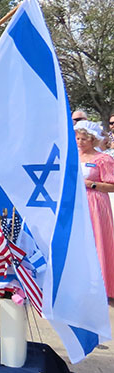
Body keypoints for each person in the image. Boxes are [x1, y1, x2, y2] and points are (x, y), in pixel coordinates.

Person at [75, 120, 114, 300]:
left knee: (97, 240)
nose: (80, 142)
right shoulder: (73, 156)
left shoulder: (103, 159)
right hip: (77, 203)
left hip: (95, 202)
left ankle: (101, 286)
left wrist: (92, 184)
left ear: (92, 140)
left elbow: (112, 185)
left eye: (84, 139)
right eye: (78, 138)